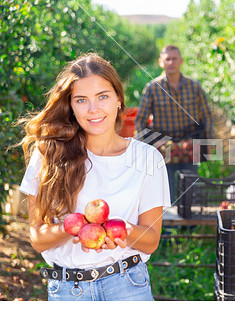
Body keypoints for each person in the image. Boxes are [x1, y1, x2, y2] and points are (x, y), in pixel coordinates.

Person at [18, 53, 171, 301]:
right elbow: (37, 238)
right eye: (81, 100)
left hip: (127, 286)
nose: (93, 109)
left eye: (103, 96)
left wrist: (122, 230)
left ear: (119, 100)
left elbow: (151, 241)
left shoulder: (148, 158)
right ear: (70, 106)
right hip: (69, 291)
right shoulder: (49, 154)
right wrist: (72, 228)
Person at [135, 45, 213, 202]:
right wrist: (150, 145)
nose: (171, 62)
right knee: (166, 190)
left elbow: (207, 117)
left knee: (191, 188)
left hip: (190, 143)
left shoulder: (194, 86)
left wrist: (208, 143)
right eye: (167, 59)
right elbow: (140, 121)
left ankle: (191, 226)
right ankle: (170, 226)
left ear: (181, 61)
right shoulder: (152, 88)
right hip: (165, 146)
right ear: (160, 62)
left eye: (174, 58)